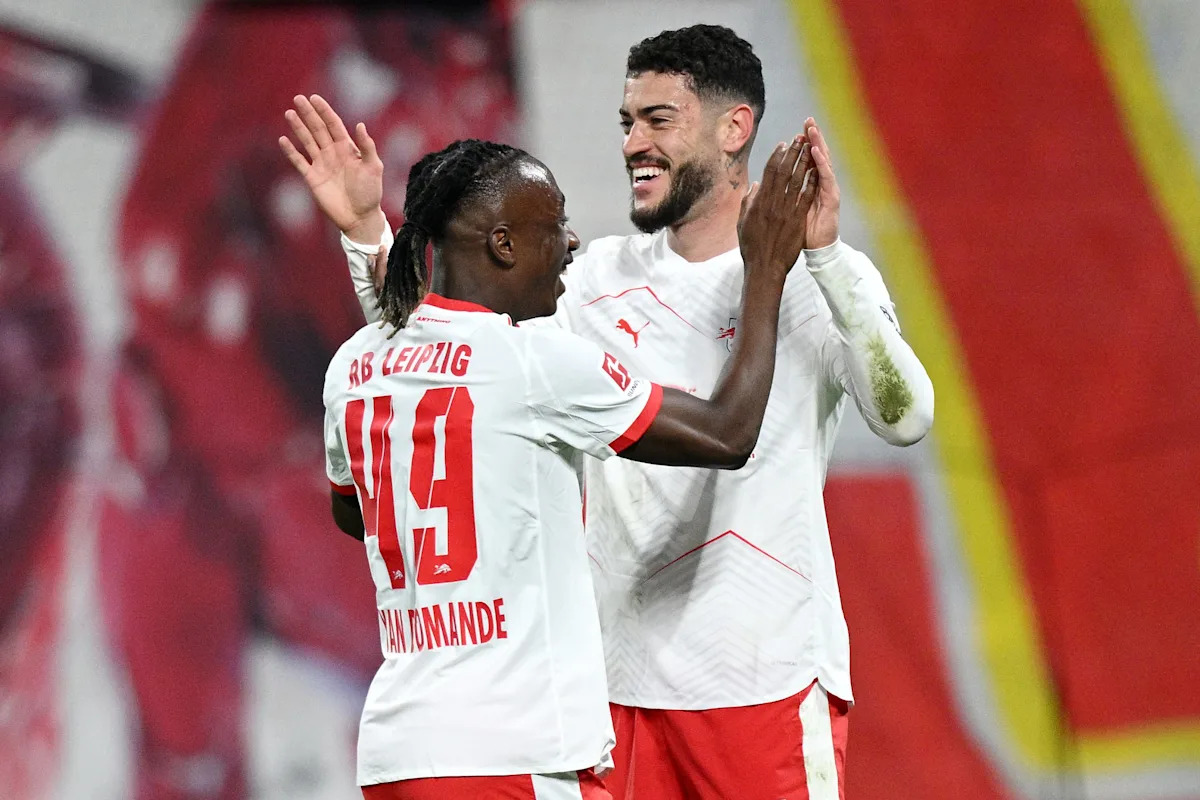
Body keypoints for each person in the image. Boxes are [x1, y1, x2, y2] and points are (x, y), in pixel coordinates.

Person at [288, 24, 934, 800]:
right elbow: (446, 364)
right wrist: (368, 238)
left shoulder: (812, 274)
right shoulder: (588, 279)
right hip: (614, 692)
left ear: (734, 128)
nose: (633, 144)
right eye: (626, 122)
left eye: (658, 120)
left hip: (762, 679)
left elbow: (904, 418)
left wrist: (822, 257)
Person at [294, 126, 817, 797]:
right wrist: (766, 266)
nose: (570, 241)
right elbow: (726, 433)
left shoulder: (355, 365)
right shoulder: (535, 362)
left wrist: (367, 236)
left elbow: (359, 511)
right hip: (513, 754)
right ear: (503, 244)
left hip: (400, 754)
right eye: (555, 222)